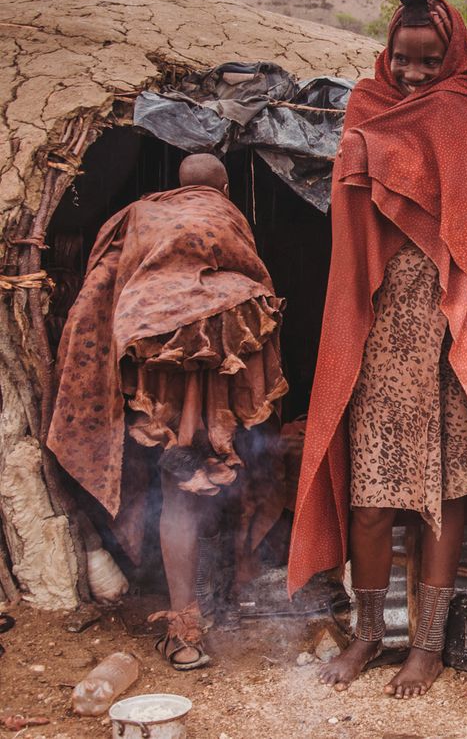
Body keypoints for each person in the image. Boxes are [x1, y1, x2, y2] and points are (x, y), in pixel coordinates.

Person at [287, 0, 467, 698]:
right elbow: (352, 212)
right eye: (404, 59)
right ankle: (368, 633)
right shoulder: (365, 107)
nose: (416, 76)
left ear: (455, 57)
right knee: (370, 494)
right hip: (380, 329)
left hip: (451, 331)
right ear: (386, 55)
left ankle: (426, 645)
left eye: (431, 61)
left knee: (443, 495)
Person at [48, 153, 288, 670]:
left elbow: (101, 286)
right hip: (223, 358)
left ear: (176, 186)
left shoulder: (144, 215)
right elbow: (257, 279)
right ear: (223, 186)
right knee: (213, 479)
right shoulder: (226, 214)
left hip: (158, 358)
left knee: (180, 485)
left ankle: (186, 632)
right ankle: (212, 611)